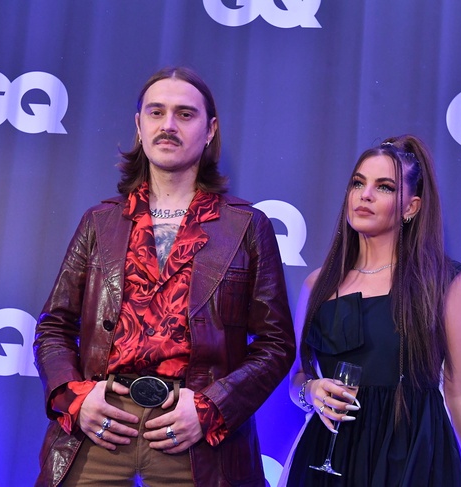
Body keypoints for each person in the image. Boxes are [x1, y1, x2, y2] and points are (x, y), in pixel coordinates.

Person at [33, 66, 295, 487]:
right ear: (139, 126)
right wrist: (75, 398)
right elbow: (53, 327)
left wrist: (212, 409)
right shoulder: (100, 222)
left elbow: (276, 344)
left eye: (185, 114)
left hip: (196, 440)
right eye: (156, 112)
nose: (168, 125)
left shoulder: (247, 226)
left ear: (210, 131)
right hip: (100, 430)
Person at [285, 135, 461, 486]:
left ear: (411, 207)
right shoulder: (317, 284)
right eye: (358, 183)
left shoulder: (445, 283)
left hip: (413, 457)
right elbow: (297, 378)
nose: (365, 195)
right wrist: (311, 391)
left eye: (384, 187)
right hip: (329, 456)